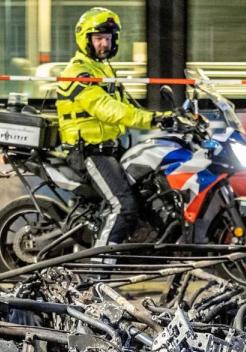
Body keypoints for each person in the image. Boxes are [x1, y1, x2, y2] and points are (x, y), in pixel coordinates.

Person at [56, 7, 177, 246]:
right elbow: (107, 109)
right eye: (99, 38)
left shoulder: (104, 70)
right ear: (85, 39)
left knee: (148, 186)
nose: (104, 44)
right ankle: (100, 268)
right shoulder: (77, 73)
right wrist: (152, 120)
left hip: (109, 148)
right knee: (124, 206)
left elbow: (127, 105)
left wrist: (169, 116)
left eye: (109, 39)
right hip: (89, 152)